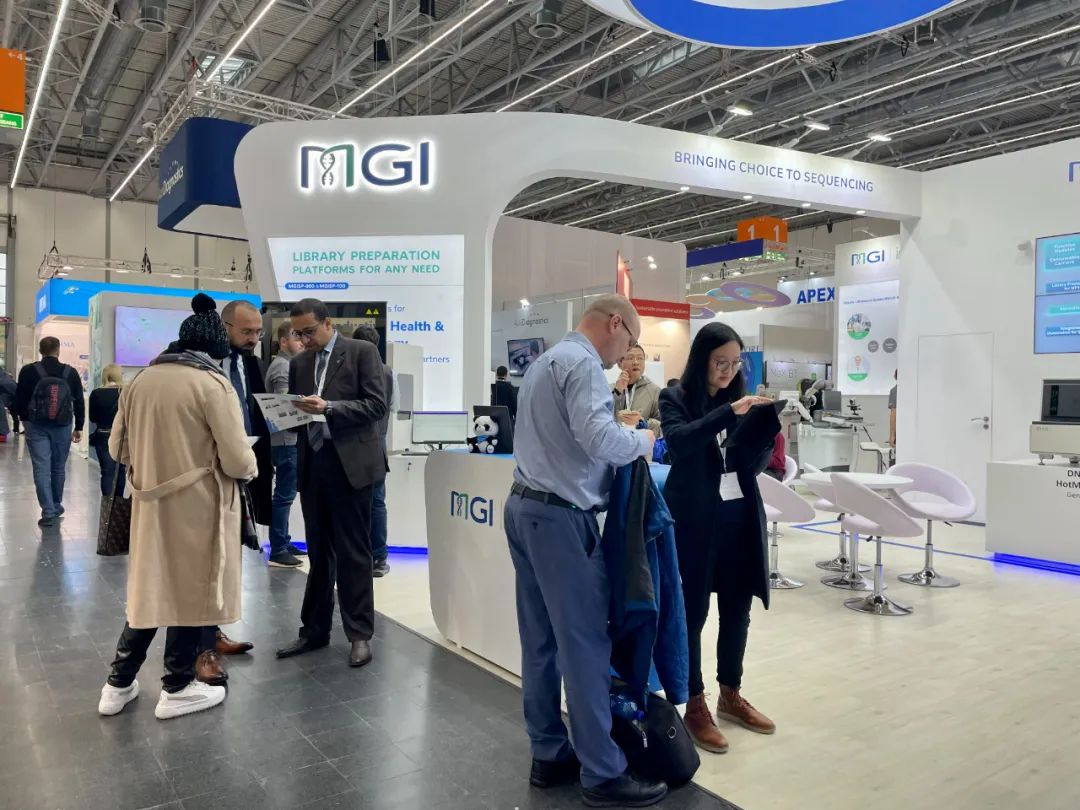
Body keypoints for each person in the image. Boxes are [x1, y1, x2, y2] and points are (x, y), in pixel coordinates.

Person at [505, 294, 666, 808]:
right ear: (615, 323)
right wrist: (642, 442)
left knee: (540, 641)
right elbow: (598, 440)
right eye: (631, 341)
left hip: (524, 508)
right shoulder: (584, 364)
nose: (627, 355)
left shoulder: (545, 362)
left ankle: (549, 752)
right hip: (560, 519)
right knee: (585, 645)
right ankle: (602, 772)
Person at [97, 293, 258, 721]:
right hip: (199, 506)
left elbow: (117, 449)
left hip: (149, 506)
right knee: (191, 594)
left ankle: (117, 685)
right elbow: (237, 460)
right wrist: (249, 465)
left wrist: (155, 464)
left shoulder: (140, 381)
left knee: (149, 592)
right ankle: (177, 687)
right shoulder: (212, 385)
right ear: (214, 347)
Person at [659, 322, 776, 756]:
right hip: (695, 521)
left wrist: (764, 435)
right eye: (719, 362)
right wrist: (729, 414)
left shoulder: (743, 400)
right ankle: (694, 703)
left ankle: (731, 693)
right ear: (702, 360)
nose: (728, 371)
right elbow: (679, 444)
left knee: (737, 611)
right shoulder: (676, 398)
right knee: (693, 614)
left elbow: (753, 464)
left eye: (734, 363)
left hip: (738, 519)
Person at [276, 299, 387, 668]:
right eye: (298, 333)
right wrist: (284, 414)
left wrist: (330, 408)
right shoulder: (300, 364)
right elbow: (299, 413)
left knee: (354, 552)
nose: (304, 339)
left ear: (328, 324)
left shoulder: (361, 352)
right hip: (314, 464)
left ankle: (359, 635)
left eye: (308, 331)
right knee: (318, 551)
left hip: (351, 466)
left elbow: (376, 406)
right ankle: (314, 630)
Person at [214, 299, 271, 655]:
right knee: (207, 555)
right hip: (207, 471)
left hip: (246, 465)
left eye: (258, 333)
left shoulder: (252, 364)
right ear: (225, 327)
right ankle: (201, 636)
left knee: (230, 551)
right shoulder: (203, 365)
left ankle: (213, 629)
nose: (253, 339)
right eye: (247, 331)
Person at [17, 337, 85, 527]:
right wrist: (79, 426)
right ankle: (56, 504)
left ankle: (48, 511)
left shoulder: (28, 371)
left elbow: (20, 398)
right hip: (63, 426)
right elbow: (79, 401)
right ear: (58, 350)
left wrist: (24, 421)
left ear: (40, 351)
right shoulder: (70, 372)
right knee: (58, 467)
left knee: (41, 468)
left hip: (36, 425)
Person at [263, 319, 306, 569]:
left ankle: (283, 541)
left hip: (287, 439)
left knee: (285, 493)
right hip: (285, 439)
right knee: (284, 494)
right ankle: (278, 548)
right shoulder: (282, 367)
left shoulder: (286, 365)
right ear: (283, 342)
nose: (301, 342)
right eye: (295, 337)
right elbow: (285, 406)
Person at [353, 324, 394, 577]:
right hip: (378, 444)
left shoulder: (350, 370)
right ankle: (379, 558)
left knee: (355, 502)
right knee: (377, 502)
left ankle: (360, 556)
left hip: (353, 445)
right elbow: (394, 406)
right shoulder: (388, 372)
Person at [89, 364, 126, 496]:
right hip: (122, 437)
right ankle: (118, 502)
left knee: (106, 472)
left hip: (103, 435)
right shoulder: (125, 392)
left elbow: (93, 418)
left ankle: (107, 503)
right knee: (121, 471)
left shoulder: (96, 393)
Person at [612, 343, 662, 435]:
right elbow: (600, 416)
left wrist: (642, 423)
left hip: (641, 443)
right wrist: (617, 392)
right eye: (630, 358)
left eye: (640, 358)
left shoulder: (654, 391)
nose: (636, 362)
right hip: (614, 442)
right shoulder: (610, 389)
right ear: (620, 364)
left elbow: (664, 426)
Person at [0, 368, 18, 438]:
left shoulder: (5, 379)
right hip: (11, 401)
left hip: (11, 402)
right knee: (14, 417)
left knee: (14, 417)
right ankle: (15, 429)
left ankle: (15, 429)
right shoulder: (7, 379)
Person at [888, 370, 898, 448]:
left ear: (895, 376)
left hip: (900, 432)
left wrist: (892, 435)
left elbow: (894, 414)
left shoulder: (895, 391)